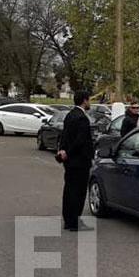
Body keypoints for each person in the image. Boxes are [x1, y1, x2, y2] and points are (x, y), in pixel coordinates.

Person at [57, 91, 95, 232]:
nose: (89, 103)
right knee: (78, 192)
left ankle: (69, 220)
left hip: (70, 162)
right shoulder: (82, 119)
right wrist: (68, 152)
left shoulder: (70, 115)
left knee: (69, 191)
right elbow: (80, 141)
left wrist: (62, 150)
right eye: (89, 100)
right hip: (80, 161)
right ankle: (75, 222)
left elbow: (64, 135)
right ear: (84, 101)